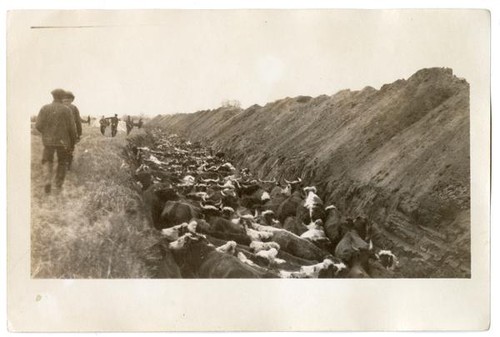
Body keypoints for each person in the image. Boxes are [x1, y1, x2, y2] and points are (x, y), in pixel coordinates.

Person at [35, 88, 77, 194]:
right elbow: (72, 128)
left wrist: (46, 133)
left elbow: (38, 125)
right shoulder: (67, 110)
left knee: (47, 160)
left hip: (48, 141)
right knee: (62, 162)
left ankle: (47, 181)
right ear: (62, 97)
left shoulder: (45, 108)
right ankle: (58, 185)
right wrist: (72, 142)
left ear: (52, 96)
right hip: (63, 142)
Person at [62, 91, 82, 170]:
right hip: (70, 131)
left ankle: (63, 163)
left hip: (59, 132)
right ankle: (68, 164)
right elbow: (78, 121)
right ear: (72, 99)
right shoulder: (74, 107)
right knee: (70, 148)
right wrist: (79, 133)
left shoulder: (59, 107)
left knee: (61, 147)